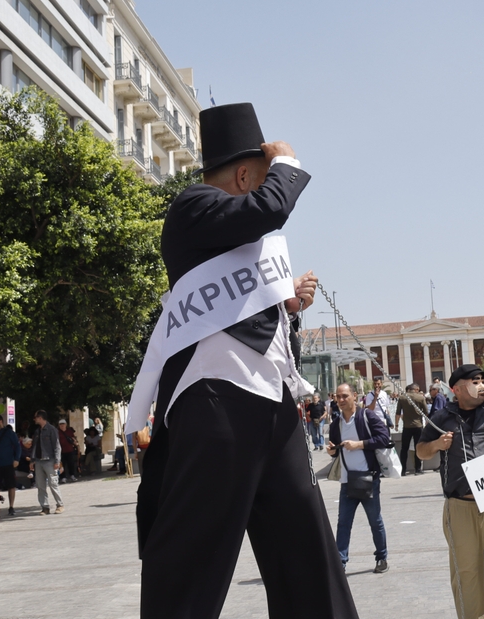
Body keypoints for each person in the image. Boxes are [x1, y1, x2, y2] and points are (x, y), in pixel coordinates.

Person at [133, 103, 357, 618]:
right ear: (241, 176)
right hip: (214, 401)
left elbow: (251, 320)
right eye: (258, 180)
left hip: (271, 406)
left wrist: (288, 306)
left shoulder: (231, 235)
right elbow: (268, 210)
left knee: (305, 549)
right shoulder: (193, 207)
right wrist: (286, 164)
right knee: (192, 562)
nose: (263, 190)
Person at [416, 309, 484, 619]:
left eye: (482, 380)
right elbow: (421, 453)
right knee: (467, 577)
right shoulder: (441, 418)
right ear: (457, 388)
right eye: (474, 381)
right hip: (460, 507)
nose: (481, 385)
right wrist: (437, 445)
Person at [326, 382, 392, 573]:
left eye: (345, 396)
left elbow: (384, 438)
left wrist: (359, 444)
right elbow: (336, 453)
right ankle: (340, 563)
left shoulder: (366, 416)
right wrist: (331, 451)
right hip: (347, 481)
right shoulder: (336, 424)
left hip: (369, 479)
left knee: (375, 521)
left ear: (354, 396)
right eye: (338, 397)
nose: (341, 400)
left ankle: (382, 557)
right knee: (343, 523)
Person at [31, 410, 64, 515]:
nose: (34, 419)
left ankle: (60, 505)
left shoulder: (51, 430)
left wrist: (57, 461)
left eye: (35, 417)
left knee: (53, 483)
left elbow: (57, 446)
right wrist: (32, 460)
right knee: (40, 485)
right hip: (39, 461)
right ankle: (45, 507)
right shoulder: (37, 431)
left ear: (40, 418)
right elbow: (34, 447)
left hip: (50, 460)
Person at [393, 383, 428, 475]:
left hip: (407, 427)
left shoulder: (402, 398)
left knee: (404, 449)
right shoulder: (420, 398)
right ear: (416, 389)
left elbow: (397, 413)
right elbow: (426, 412)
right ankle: (418, 469)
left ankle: (403, 470)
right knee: (418, 448)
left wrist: (396, 425)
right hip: (418, 426)